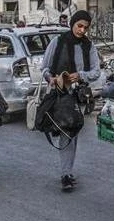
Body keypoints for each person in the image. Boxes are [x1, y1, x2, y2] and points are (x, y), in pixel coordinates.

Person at [41, 10, 101, 191]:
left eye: (85, 27)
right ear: (72, 24)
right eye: (79, 26)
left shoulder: (88, 46)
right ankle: (66, 173)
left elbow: (96, 72)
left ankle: (67, 172)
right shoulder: (57, 42)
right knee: (65, 132)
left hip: (78, 97)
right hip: (60, 95)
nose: (82, 30)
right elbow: (45, 68)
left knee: (72, 133)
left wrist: (80, 76)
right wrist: (51, 78)